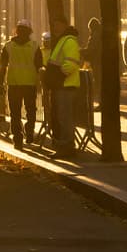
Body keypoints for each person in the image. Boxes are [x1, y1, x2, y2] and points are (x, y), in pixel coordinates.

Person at [0, 18, 43, 150]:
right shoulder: (35, 46)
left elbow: (2, 67)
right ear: (30, 31)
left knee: (15, 113)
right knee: (31, 111)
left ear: (16, 31)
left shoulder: (8, 46)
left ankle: (17, 140)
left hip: (14, 84)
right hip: (30, 84)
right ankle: (29, 133)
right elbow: (40, 66)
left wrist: (0, 84)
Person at [47, 16, 81, 158]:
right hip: (62, 86)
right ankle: (64, 146)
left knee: (65, 118)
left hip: (65, 86)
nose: (54, 28)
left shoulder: (69, 41)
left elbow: (71, 64)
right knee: (61, 117)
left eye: (56, 25)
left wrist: (58, 76)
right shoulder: (63, 40)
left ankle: (67, 148)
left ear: (63, 25)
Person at [82, 17, 103, 108]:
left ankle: (101, 102)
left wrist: (81, 51)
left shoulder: (94, 35)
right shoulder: (100, 34)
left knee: (98, 82)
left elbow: (91, 49)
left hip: (97, 62)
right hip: (100, 61)